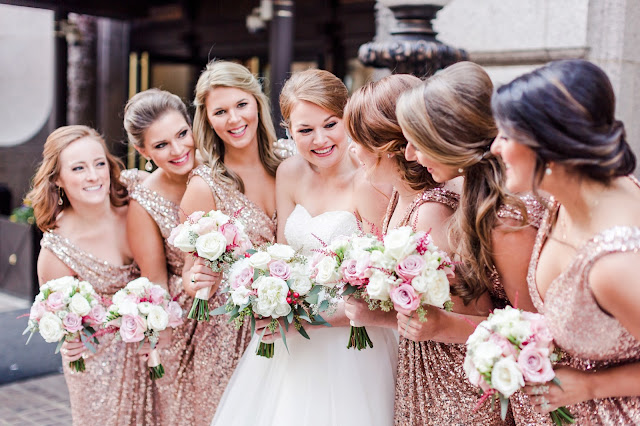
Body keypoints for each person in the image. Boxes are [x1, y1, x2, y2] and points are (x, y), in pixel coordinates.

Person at [211, 69, 397, 426]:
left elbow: (381, 284)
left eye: (331, 124)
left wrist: (308, 319)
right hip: (292, 339)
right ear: (288, 130)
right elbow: (283, 256)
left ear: (348, 118)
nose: (320, 139)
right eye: (305, 130)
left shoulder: (369, 178)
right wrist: (268, 295)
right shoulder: (289, 173)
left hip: (354, 344)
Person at [394, 61, 546, 425]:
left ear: (449, 141)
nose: (409, 155)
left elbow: (531, 329)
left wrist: (443, 325)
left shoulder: (505, 217)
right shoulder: (467, 192)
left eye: (418, 142)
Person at [491, 59, 640, 424]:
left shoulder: (614, 265)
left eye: (506, 136)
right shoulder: (562, 196)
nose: (494, 147)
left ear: (548, 145)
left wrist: (592, 385)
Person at [179, 60, 285, 421]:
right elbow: (188, 275)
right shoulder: (203, 186)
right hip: (229, 334)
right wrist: (199, 281)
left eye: (241, 105)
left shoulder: (290, 162)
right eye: (220, 111)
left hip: (290, 324)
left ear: (257, 103)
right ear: (207, 120)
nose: (234, 119)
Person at [27, 125, 151, 425]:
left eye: (99, 164)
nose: (94, 176)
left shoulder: (140, 194)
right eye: (79, 168)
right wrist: (69, 339)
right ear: (58, 178)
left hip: (157, 351)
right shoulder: (57, 251)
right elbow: (65, 329)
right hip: (100, 369)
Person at [121, 88, 209, 424]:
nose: (178, 150)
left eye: (182, 134)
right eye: (161, 145)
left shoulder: (223, 167)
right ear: (142, 150)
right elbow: (155, 279)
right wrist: (158, 342)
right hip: (190, 327)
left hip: (249, 312)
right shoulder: (144, 203)